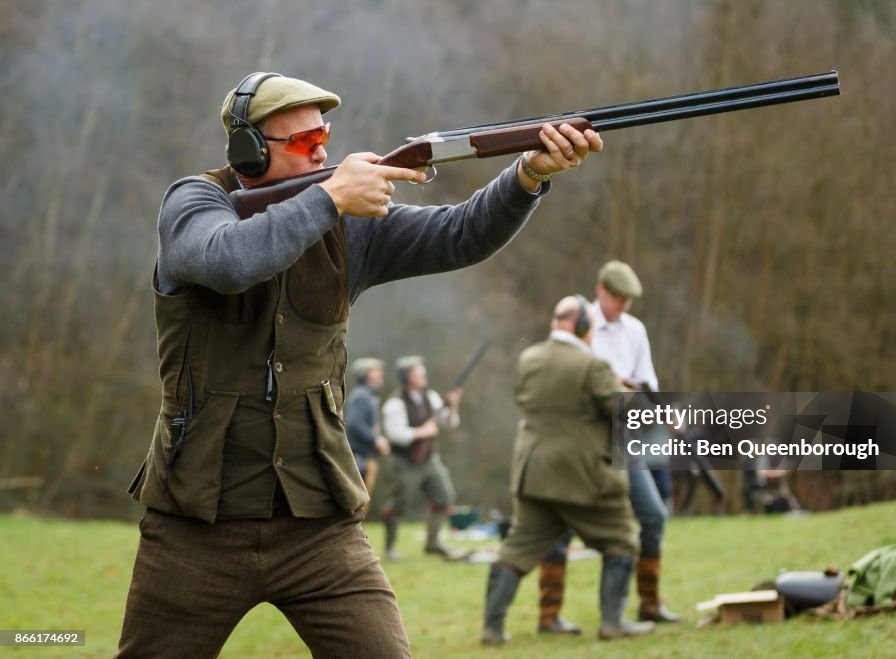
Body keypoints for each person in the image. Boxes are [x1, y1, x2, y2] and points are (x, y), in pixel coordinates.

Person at [115, 71, 602, 659]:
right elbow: (227, 262)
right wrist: (328, 198)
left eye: (323, 135)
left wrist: (527, 176)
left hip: (317, 522)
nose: (322, 150)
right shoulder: (193, 203)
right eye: (301, 142)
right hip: (195, 525)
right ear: (247, 150)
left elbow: (460, 234)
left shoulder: (349, 223)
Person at [481, 296, 656, 645]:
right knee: (621, 540)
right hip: (584, 476)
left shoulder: (529, 358)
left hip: (534, 473)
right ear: (581, 326)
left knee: (516, 549)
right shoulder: (593, 366)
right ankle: (613, 623)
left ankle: (492, 629)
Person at [535, 261, 681, 633]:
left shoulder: (636, 331)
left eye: (628, 299)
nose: (624, 305)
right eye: (619, 297)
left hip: (622, 438)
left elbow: (646, 382)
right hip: (581, 438)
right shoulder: (581, 326)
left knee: (653, 514)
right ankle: (549, 616)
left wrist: (662, 413)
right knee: (561, 522)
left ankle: (650, 603)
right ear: (601, 291)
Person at [380, 356, 462, 560]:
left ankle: (433, 544)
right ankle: (390, 549)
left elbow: (449, 423)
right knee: (399, 504)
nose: (423, 375)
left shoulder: (431, 397)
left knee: (444, 497)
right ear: (407, 377)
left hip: (430, 460)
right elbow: (395, 434)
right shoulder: (395, 404)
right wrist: (422, 432)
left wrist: (452, 405)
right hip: (405, 462)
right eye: (418, 372)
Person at [345, 357, 390, 497]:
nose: (380, 373)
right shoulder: (362, 396)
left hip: (366, 456)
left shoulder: (368, 396)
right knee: (359, 498)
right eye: (376, 371)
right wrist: (376, 439)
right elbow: (354, 423)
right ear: (367, 375)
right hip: (360, 457)